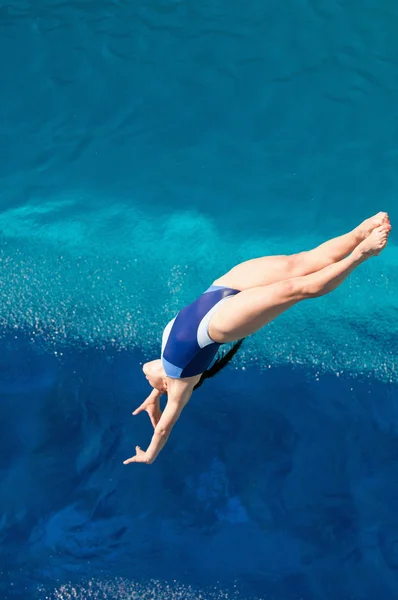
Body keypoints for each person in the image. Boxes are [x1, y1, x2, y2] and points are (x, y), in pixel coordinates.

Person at [123, 213, 391, 465]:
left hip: (219, 288)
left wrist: (153, 396)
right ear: (169, 389)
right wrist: (149, 455)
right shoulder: (181, 387)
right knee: (295, 289)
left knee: (299, 262)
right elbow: (164, 429)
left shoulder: (164, 370)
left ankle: (359, 232)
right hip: (216, 324)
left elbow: (157, 374)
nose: (146, 375)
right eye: (156, 387)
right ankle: (361, 253)